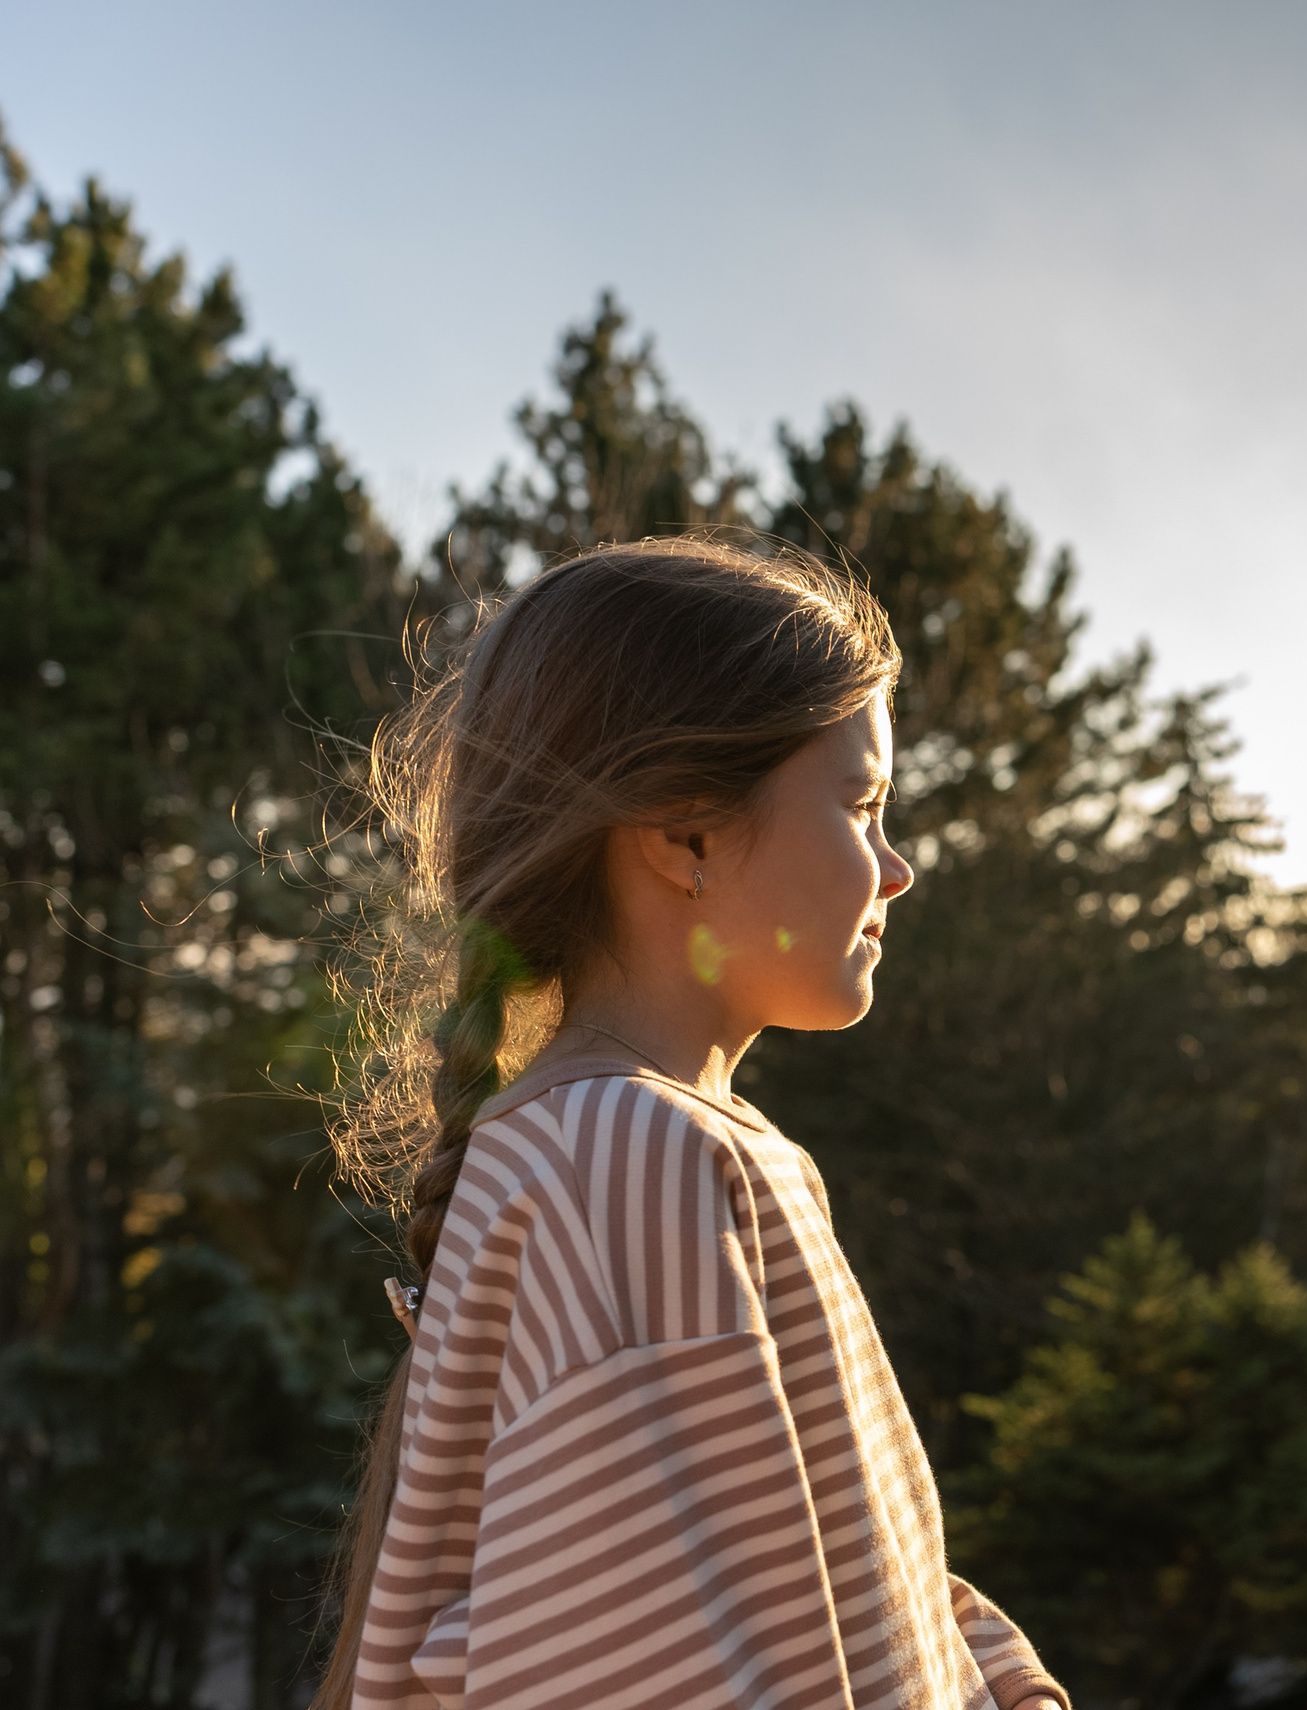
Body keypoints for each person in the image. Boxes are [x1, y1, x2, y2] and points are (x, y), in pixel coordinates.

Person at [317, 537, 1067, 1710]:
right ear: (684, 834)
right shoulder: (623, 1159)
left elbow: (862, 1580)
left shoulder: (670, 1148)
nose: (897, 870)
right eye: (862, 808)